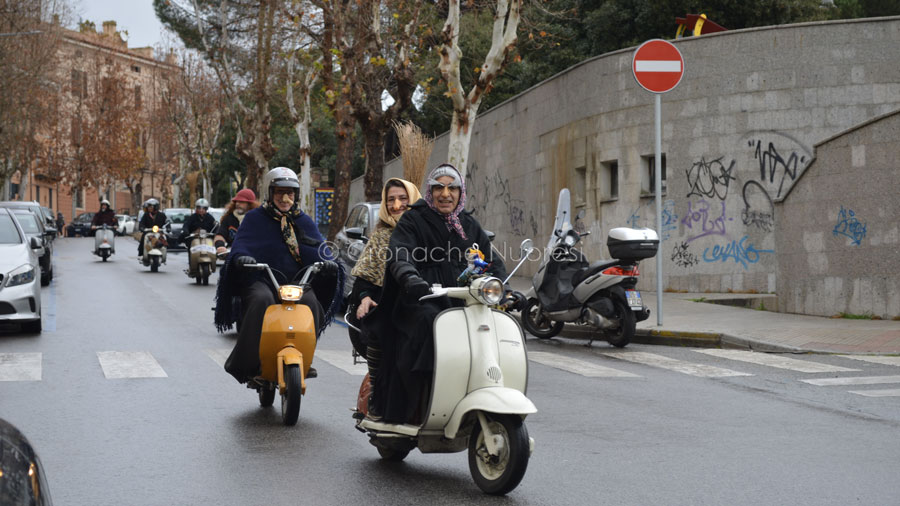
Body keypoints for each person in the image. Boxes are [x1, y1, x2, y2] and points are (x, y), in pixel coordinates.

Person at [364, 164, 507, 424]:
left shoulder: (469, 224)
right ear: (429, 192)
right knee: (430, 323)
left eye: (452, 187)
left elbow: (492, 261)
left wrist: (502, 288)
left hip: (464, 299)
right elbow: (400, 253)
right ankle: (420, 398)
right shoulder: (413, 219)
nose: (445, 194)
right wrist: (409, 276)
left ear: (460, 192)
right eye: (438, 187)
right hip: (420, 299)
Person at [214, 167, 343, 384]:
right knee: (260, 300)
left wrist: (330, 263)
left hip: (297, 282)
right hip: (262, 279)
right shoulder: (255, 218)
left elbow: (319, 247)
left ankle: (305, 355)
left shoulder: (303, 220)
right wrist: (243, 259)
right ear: (270, 193)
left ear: (296, 195)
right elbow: (242, 245)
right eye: (280, 192)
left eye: (290, 193)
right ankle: (249, 363)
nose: (285, 198)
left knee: (312, 304)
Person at [347, 178, 422, 419]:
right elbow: (362, 280)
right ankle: (378, 397)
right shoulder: (380, 236)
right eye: (391, 200)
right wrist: (365, 298)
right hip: (385, 308)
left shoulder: (426, 232)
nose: (397, 205)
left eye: (403, 199)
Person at [214, 188, 258, 255]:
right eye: (236, 201)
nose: (237, 204)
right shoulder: (228, 218)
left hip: (253, 256)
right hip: (233, 255)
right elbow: (220, 235)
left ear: (250, 204)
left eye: (242, 202)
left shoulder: (257, 218)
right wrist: (220, 246)